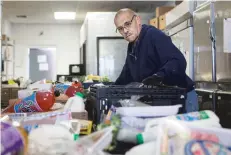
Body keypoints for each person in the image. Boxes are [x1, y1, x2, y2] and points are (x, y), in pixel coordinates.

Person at [114, 8, 198, 112]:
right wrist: (109, 88)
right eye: (121, 28)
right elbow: (126, 75)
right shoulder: (132, 46)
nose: (125, 31)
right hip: (163, 102)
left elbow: (178, 61)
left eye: (127, 24)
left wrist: (158, 77)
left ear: (138, 20)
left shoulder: (153, 35)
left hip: (183, 99)